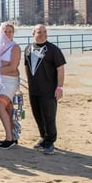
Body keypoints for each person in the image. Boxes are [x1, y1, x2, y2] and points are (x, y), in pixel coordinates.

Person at [24, 24, 66, 155]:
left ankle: (50, 142)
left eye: (45, 32)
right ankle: (43, 137)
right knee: (37, 115)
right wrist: (30, 83)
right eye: (39, 32)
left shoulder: (53, 50)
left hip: (48, 90)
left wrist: (59, 87)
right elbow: (26, 67)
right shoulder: (28, 49)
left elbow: (60, 69)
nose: (43, 34)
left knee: (49, 116)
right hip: (34, 90)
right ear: (33, 34)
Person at [0, 22, 22, 149]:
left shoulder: (15, 48)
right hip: (0, 82)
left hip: (10, 82)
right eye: (5, 31)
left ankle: (9, 138)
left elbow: (13, 67)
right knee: (8, 109)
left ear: (13, 33)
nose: (7, 34)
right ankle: (13, 136)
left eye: (10, 31)